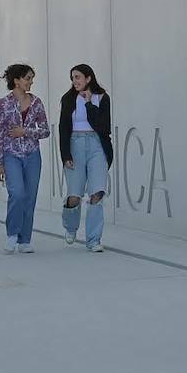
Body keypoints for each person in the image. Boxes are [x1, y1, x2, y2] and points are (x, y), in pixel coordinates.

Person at [0, 64, 51, 254]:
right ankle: (12, 234)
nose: (31, 82)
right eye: (27, 78)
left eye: (32, 78)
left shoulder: (37, 103)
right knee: (17, 194)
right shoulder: (2, 104)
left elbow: (45, 130)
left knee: (30, 197)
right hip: (11, 155)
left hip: (33, 155)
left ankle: (25, 239)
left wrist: (25, 131)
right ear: (16, 80)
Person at [58, 64, 113, 252]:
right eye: (72, 78)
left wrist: (89, 103)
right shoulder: (68, 99)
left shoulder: (102, 98)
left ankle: (93, 240)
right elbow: (63, 129)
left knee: (97, 193)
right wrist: (65, 154)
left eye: (78, 77)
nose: (75, 81)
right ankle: (71, 227)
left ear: (88, 78)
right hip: (75, 144)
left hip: (97, 145)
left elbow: (103, 127)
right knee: (74, 195)